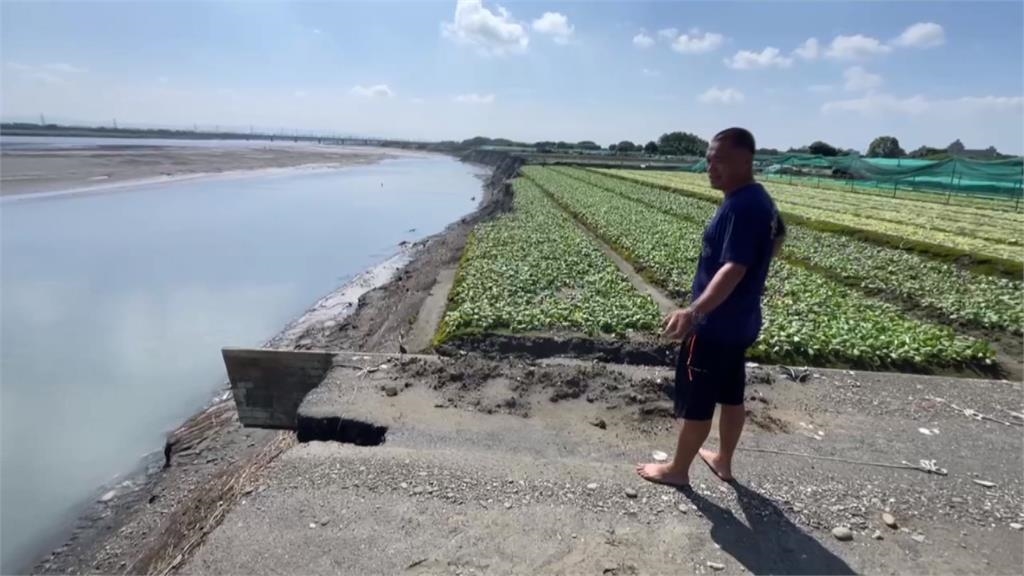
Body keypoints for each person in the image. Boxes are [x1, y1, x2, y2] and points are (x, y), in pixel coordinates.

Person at [637, 127, 785, 487]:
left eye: (721, 160)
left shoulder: (741, 206)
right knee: (732, 395)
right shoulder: (759, 200)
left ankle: (677, 470)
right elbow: (778, 236)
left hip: (715, 327)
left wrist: (694, 313)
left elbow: (733, 268)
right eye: (709, 159)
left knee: (698, 400)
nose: (711, 167)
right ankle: (723, 460)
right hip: (741, 322)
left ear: (746, 161)